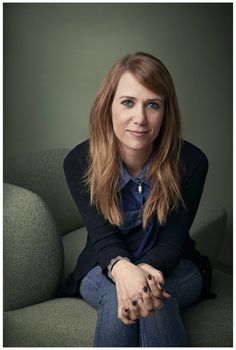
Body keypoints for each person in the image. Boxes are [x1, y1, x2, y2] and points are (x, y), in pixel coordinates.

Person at [58, 52, 215, 347]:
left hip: (173, 262)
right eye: (128, 102)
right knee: (131, 304)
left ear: (166, 112)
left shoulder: (191, 163)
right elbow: (103, 237)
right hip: (103, 263)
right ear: (109, 107)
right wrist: (123, 270)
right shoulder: (79, 162)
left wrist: (140, 280)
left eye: (152, 104)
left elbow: (172, 242)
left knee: (154, 301)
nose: (140, 118)